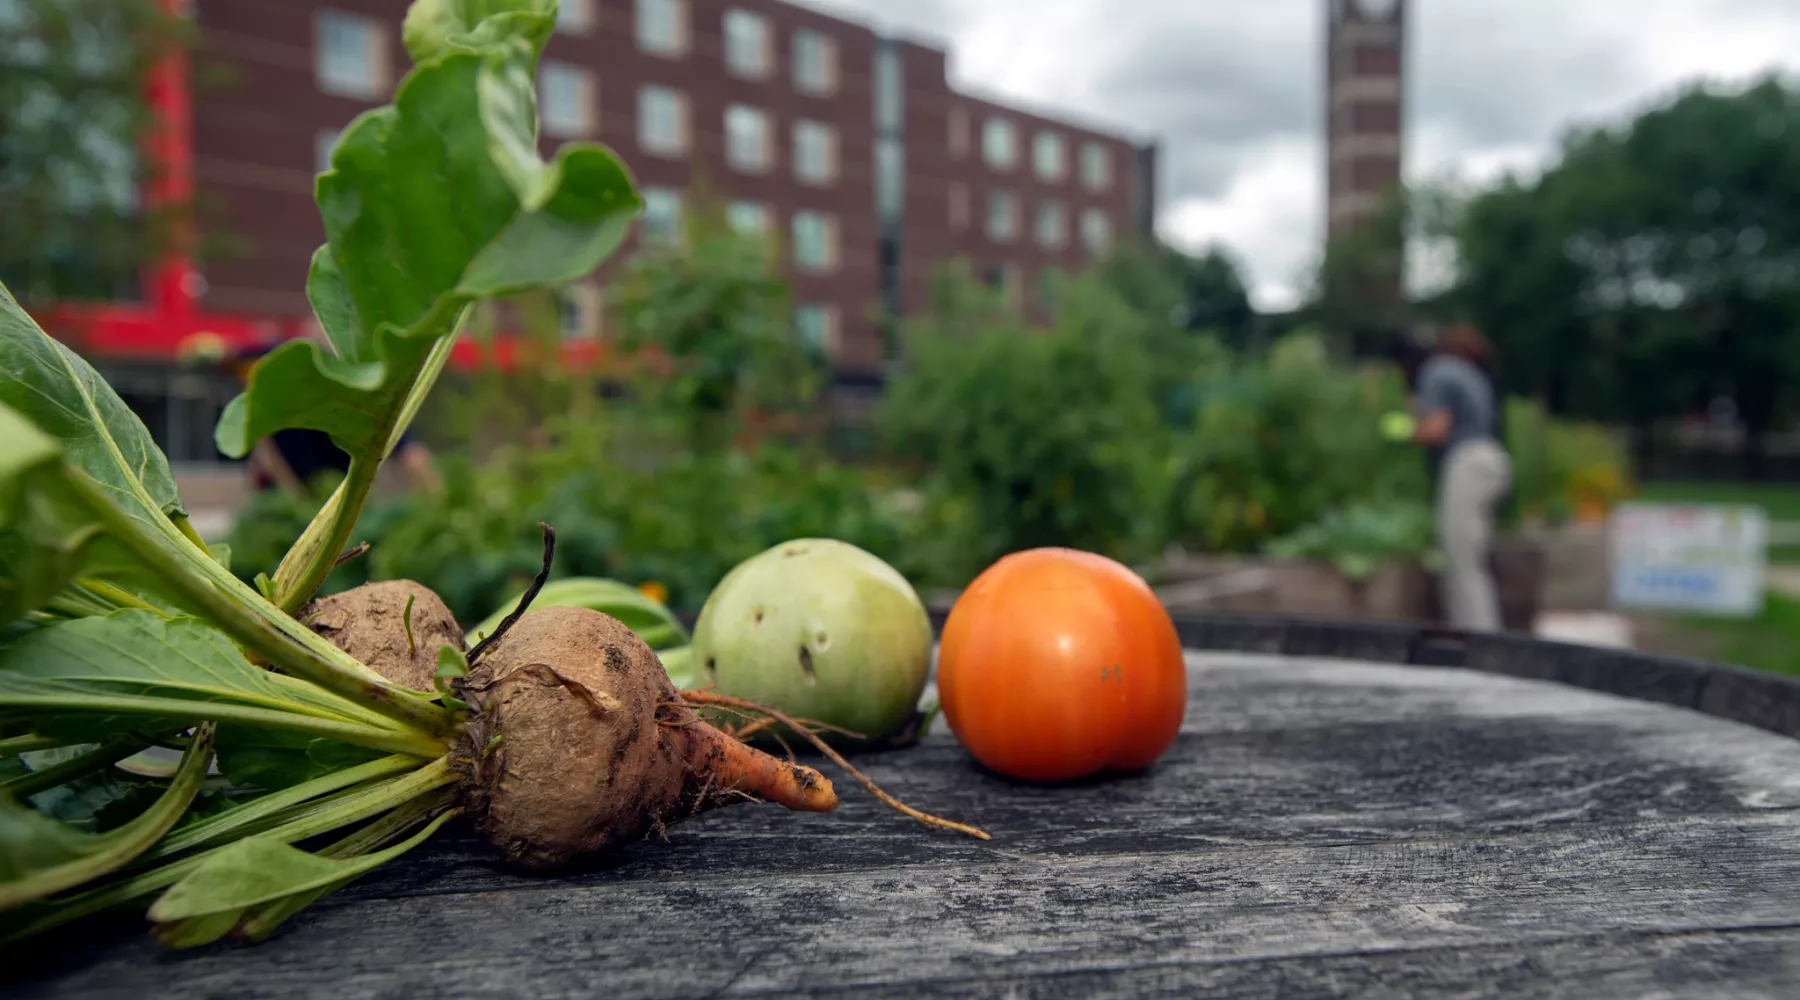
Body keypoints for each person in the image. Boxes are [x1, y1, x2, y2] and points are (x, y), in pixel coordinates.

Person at [1409, 324, 1513, 632]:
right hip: (1494, 460)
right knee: (1474, 558)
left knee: (1460, 562)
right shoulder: (1474, 376)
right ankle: (1484, 633)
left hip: (1466, 463)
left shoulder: (1438, 371)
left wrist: (1405, 430)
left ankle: (1478, 641)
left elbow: (1437, 428)